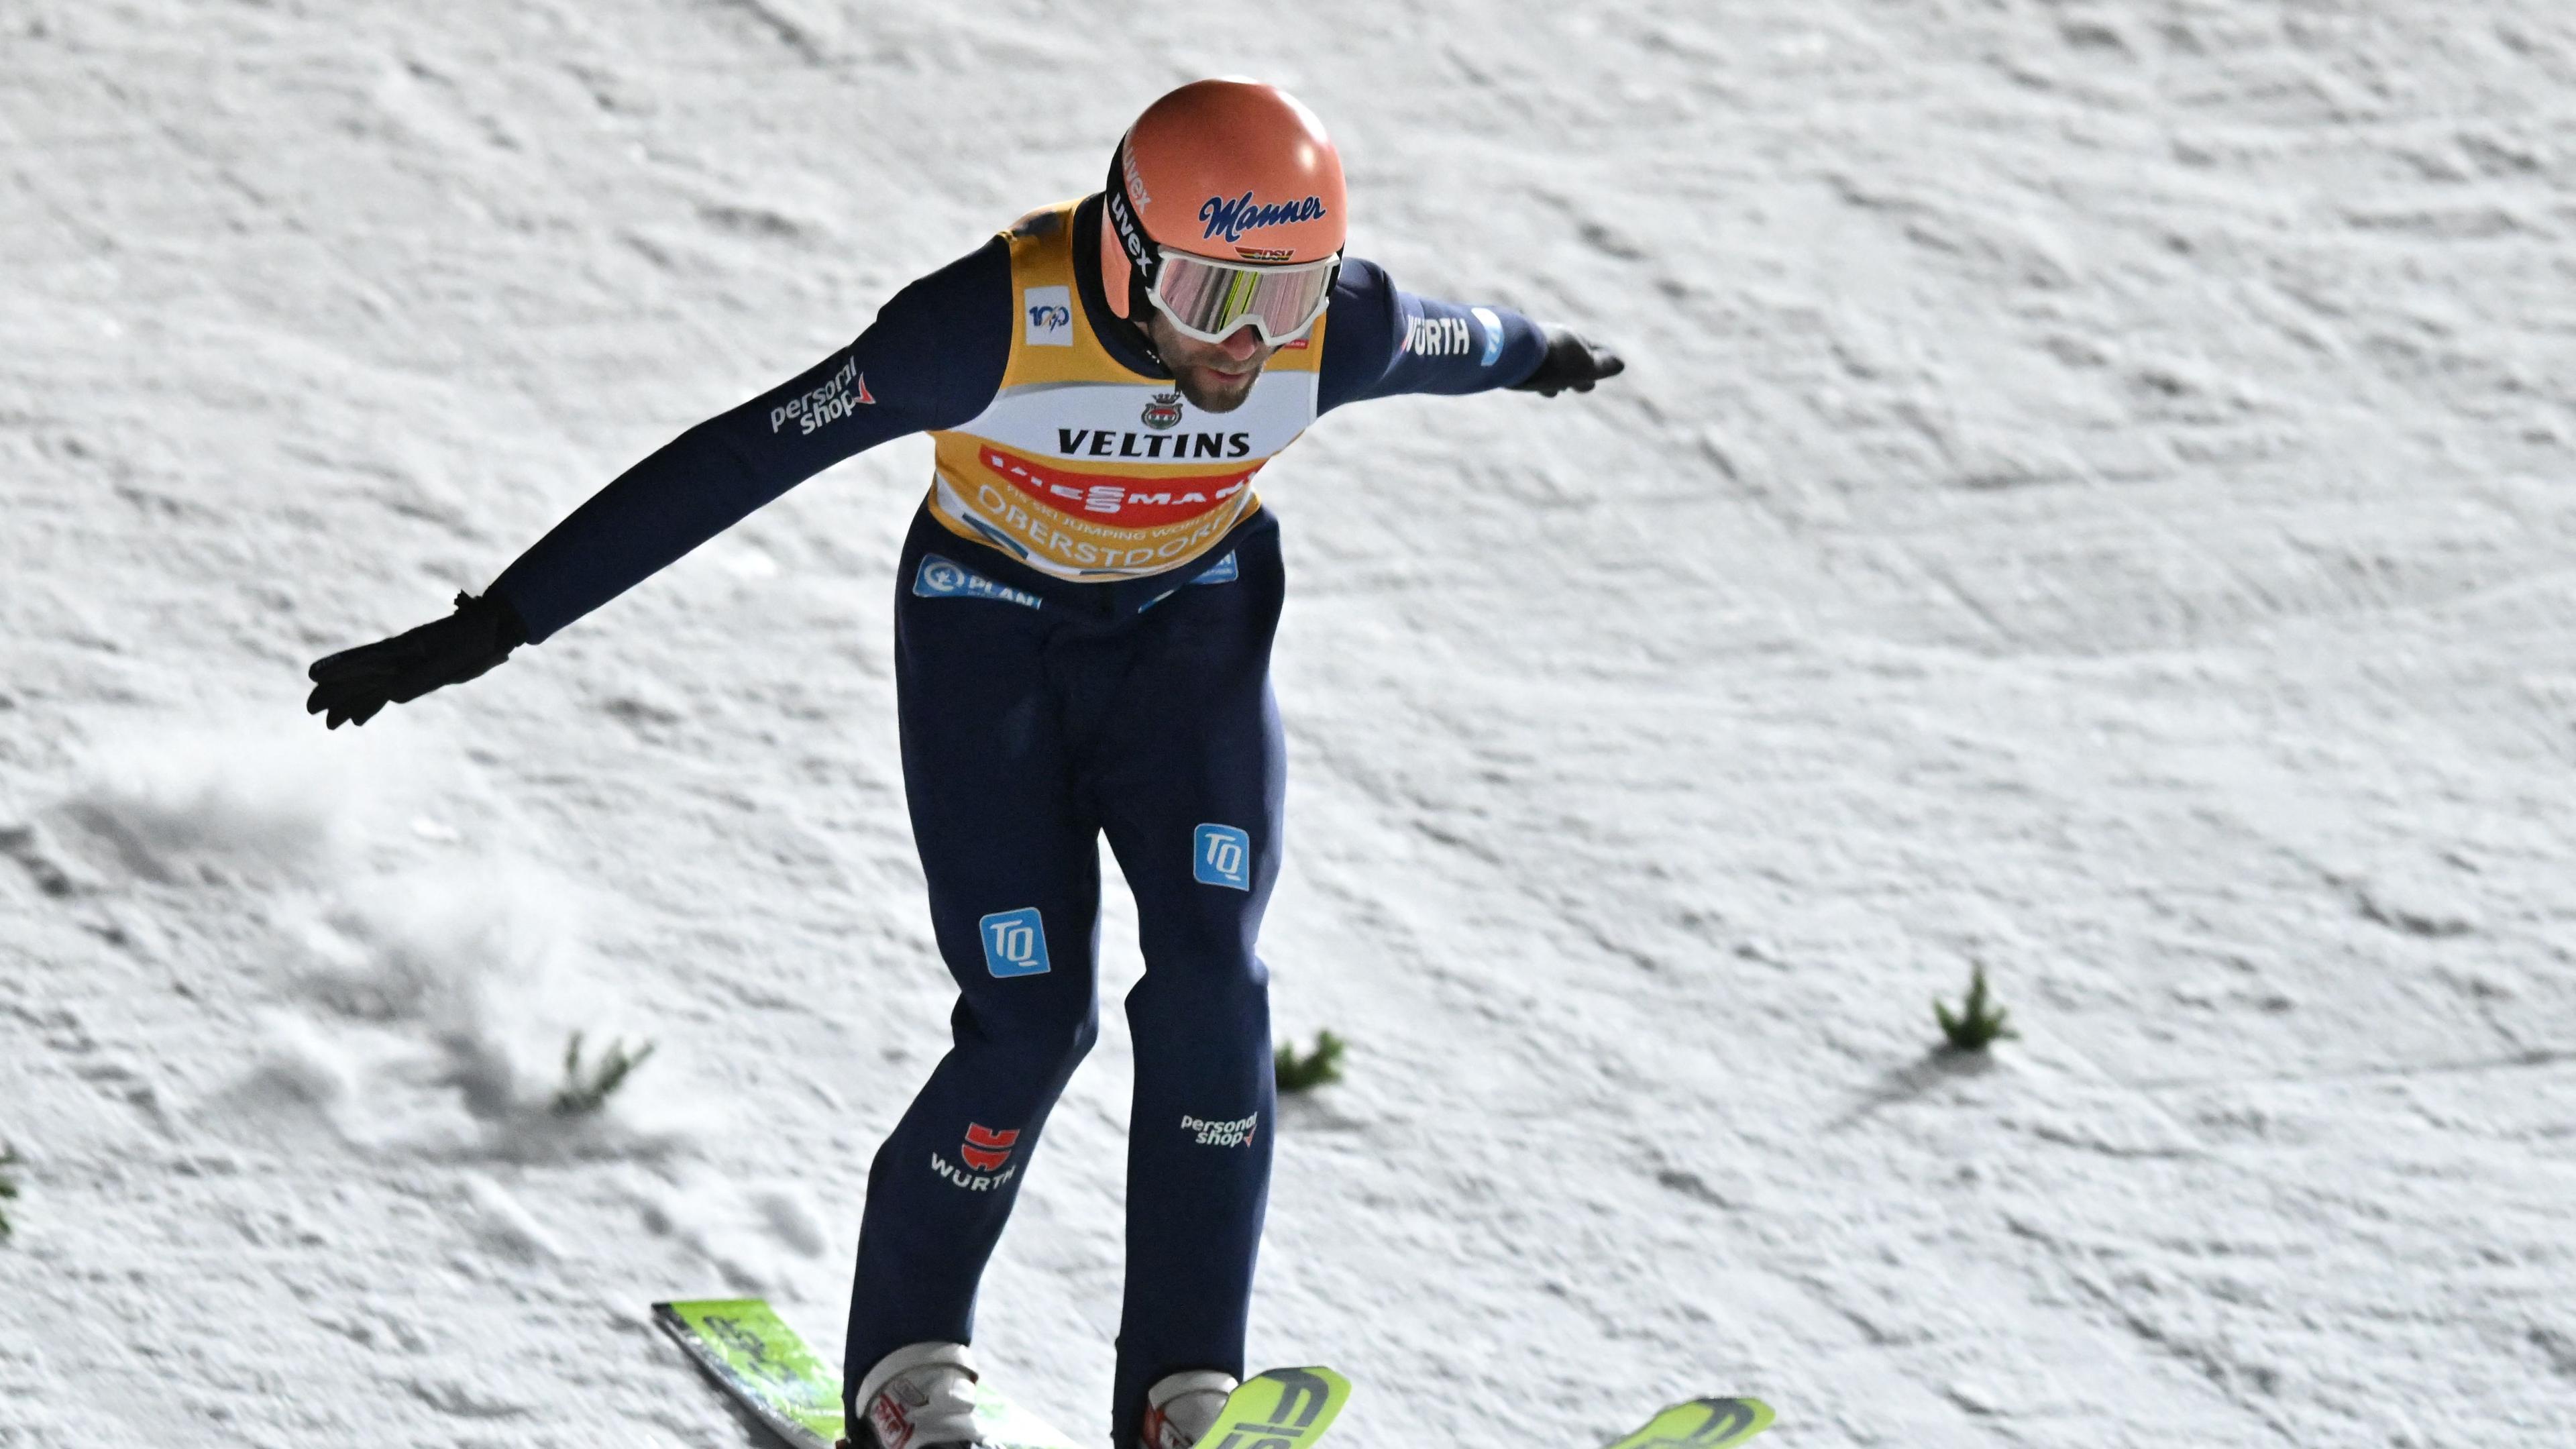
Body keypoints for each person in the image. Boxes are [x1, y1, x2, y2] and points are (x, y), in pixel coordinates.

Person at [305, 78, 1623, 1449]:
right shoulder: (984, 325)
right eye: (1215, 299)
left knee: (1215, 973)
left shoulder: (1331, 333)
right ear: (1122, 249)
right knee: (1029, 1012)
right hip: (993, 650)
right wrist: (496, 624)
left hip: (1188, 652)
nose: (1248, 347)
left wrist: (1544, 357)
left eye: (1284, 301)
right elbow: (741, 457)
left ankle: (1189, 1390)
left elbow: (1459, 338)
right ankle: (906, 1368)